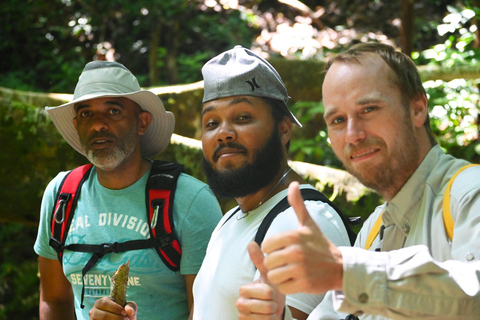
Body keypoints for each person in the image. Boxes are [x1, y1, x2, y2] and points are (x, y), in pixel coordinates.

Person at [237, 42, 480, 320]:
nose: (353, 135)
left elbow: (473, 295)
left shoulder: (469, 194)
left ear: (417, 109)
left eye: (368, 109)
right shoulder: (373, 230)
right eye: (338, 119)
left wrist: (346, 272)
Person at [33, 61, 223, 320]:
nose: (98, 125)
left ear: (142, 122)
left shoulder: (190, 200)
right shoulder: (61, 195)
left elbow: (207, 311)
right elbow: (54, 301)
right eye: (87, 114)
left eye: (113, 111)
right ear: (77, 126)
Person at [191, 45, 352, 320]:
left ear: (284, 129)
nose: (223, 134)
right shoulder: (230, 219)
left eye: (242, 117)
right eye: (211, 123)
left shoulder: (305, 222)